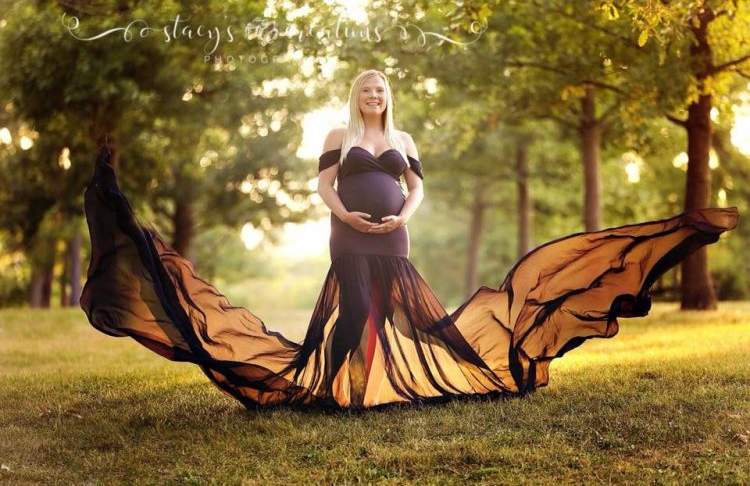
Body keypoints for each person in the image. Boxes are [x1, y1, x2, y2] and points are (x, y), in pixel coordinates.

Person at [80, 68, 739, 411]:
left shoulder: (404, 141)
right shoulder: (338, 139)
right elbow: (323, 187)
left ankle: (421, 377)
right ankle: (336, 386)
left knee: (409, 318)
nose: (373, 93)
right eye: (366, 87)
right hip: (350, 237)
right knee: (360, 312)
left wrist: (400, 218)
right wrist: (349, 217)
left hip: (395, 238)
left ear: (388, 97)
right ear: (355, 96)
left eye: (381, 88)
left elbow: (417, 189)